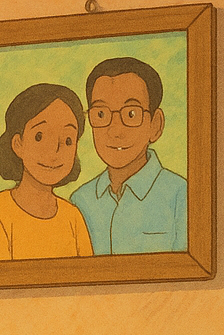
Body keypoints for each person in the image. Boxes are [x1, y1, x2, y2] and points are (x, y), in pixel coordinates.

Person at [70, 56, 188, 254]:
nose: (115, 130)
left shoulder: (181, 196)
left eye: (131, 114)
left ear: (156, 125)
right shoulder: (80, 201)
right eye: (101, 114)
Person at [0, 83, 94, 260]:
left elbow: (89, 275)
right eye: (39, 136)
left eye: (67, 140)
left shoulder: (73, 216)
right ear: (18, 144)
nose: (54, 151)